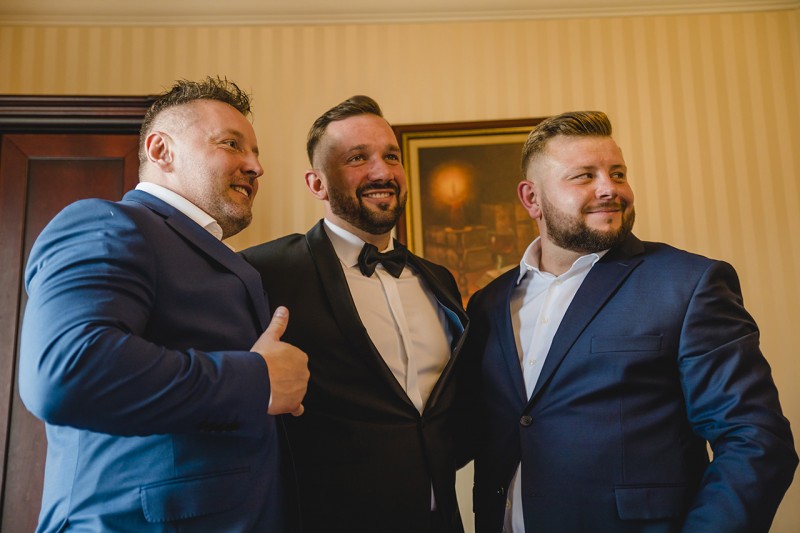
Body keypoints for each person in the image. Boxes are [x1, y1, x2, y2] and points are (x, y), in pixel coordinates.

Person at [465, 110, 797, 532]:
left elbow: (755, 439)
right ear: (532, 198)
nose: (610, 189)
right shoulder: (489, 303)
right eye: (585, 176)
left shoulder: (689, 284)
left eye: (618, 174)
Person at [19, 76, 309, 532]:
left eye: (256, 153)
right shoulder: (108, 222)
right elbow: (68, 371)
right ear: (161, 150)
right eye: (231, 144)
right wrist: (257, 380)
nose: (256, 166)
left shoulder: (216, 255)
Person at [241, 95, 470, 533]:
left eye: (391, 156)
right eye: (357, 158)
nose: (382, 172)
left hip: (441, 518)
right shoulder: (263, 272)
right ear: (317, 184)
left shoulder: (438, 279)